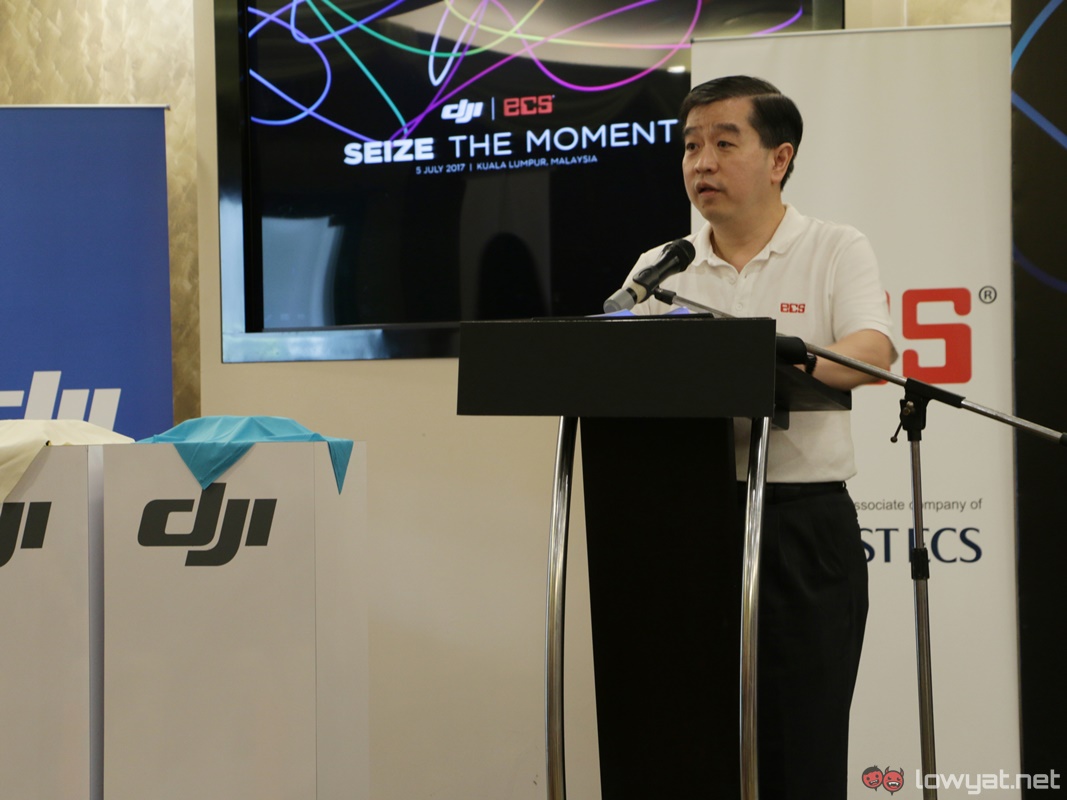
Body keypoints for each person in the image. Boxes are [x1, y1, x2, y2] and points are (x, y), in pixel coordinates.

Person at [625, 75, 897, 798]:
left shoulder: (834, 246)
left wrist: (778, 359)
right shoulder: (661, 266)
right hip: (689, 524)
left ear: (779, 159)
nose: (701, 163)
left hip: (799, 525)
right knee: (687, 735)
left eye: (723, 143)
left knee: (799, 738)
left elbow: (871, 348)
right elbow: (620, 370)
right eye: (690, 147)